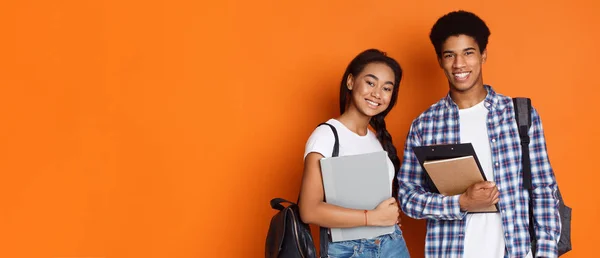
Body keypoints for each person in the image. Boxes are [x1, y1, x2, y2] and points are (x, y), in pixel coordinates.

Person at [397, 10, 561, 258]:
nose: (459, 64)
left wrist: (545, 254)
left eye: (468, 53)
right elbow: (408, 197)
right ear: (440, 60)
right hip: (450, 252)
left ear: (483, 55)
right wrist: (460, 203)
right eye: (449, 55)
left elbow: (543, 189)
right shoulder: (424, 125)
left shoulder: (519, 115)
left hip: (516, 252)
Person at [298, 49, 410, 258]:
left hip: (391, 244)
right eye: (370, 83)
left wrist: (389, 216)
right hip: (350, 250)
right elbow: (309, 210)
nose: (377, 93)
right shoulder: (327, 135)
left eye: (387, 88)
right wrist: (373, 218)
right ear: (350, 82)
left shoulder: (378, 140)